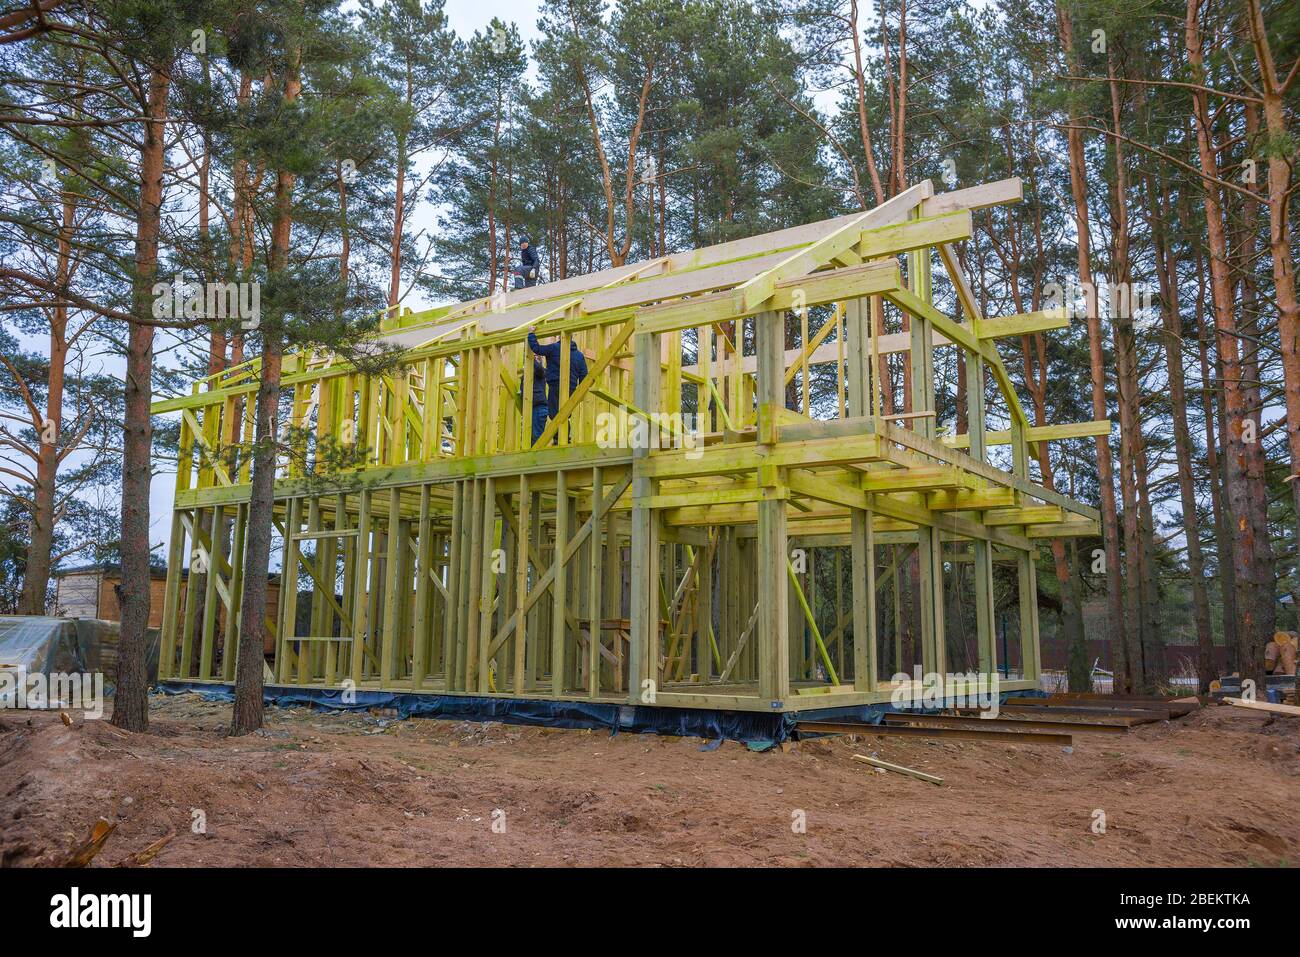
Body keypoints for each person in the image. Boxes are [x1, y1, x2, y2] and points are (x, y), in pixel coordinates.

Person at [527, 326, 589, 439]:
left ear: (560, 337)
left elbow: (537, 349)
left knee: (555, 414)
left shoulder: (554, 348)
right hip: (571, 387)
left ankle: (561, 438)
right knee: (564, 414)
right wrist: (579, 393)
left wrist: (531, 334)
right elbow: (584, 376)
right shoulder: (579, 355)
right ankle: (562, 438)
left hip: (555, 386)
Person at [522, 355, 549, 444]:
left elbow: (539, 369)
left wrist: (531, 358)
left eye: (538, 357)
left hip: (538, 408)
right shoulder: (527, 374)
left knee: (536, 440)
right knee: (531, 439)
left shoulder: (541, 371)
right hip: (533, 408)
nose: (535, 359)